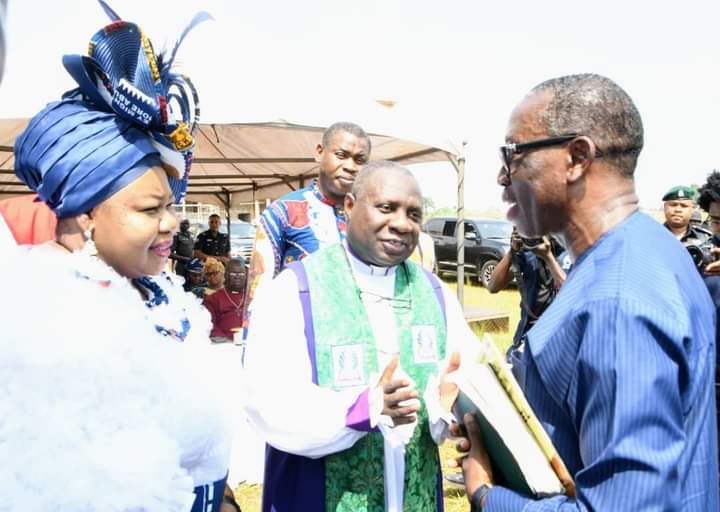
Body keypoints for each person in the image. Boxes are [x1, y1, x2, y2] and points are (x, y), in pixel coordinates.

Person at [0, 6, 240, 512]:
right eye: (151, 210)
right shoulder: (38, 311)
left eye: (171, 206)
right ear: (87, 213)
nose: (171, 223)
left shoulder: (158, 289)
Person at [452, 73, 718, 510]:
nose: (501, 176)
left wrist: (487, 494)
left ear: (577, 157)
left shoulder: (617, 301)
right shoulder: (649, 249)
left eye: (512, 154)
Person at [244, 161, 480, 511]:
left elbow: (461, 379)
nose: (401, 224)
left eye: (413, 214)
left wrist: (446, 406)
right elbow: (268, 402)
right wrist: (365, 409)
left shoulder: (434, 293)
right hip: (317, 493)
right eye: (386, 208)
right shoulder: (295, 289)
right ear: (350, 206)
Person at [242, 121, 371, 328]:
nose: (350, 166)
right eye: (341, 155)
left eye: (360, 160)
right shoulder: (282, 212)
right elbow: (258, 295)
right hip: (299, 336)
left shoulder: (372, 216)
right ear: (320, 152)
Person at [487, 227, 566, 362]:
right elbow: (493, 286)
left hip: (556, 341)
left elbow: (572, 292)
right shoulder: (529, 252)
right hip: (526, 337)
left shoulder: (569, 252)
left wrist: (548, 257)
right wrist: (512, 252)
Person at [204, 257, 248, 343]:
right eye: (233, 274)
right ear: (226, 275)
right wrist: (225, 342)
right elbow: (209, 324)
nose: (237, 277)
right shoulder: (213, 299)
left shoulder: (251, 297)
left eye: (241, 274)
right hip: (224, 344)